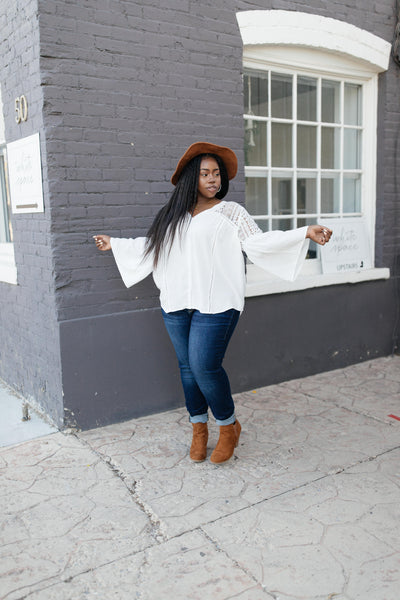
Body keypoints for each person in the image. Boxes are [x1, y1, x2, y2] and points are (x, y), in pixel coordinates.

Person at [94, 141, 332, 465]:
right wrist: (116, 244)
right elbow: (151, 247)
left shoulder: (231, 212)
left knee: (204, 366)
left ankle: (228, 425)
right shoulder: (172, 215)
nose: (212, 179)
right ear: (192, 177)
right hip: (176, 302)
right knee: (187, 369)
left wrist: (303, 232)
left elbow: (258, 242)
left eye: (216, 174)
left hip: (217, 304)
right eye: (205, 173)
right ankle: (198, 429)